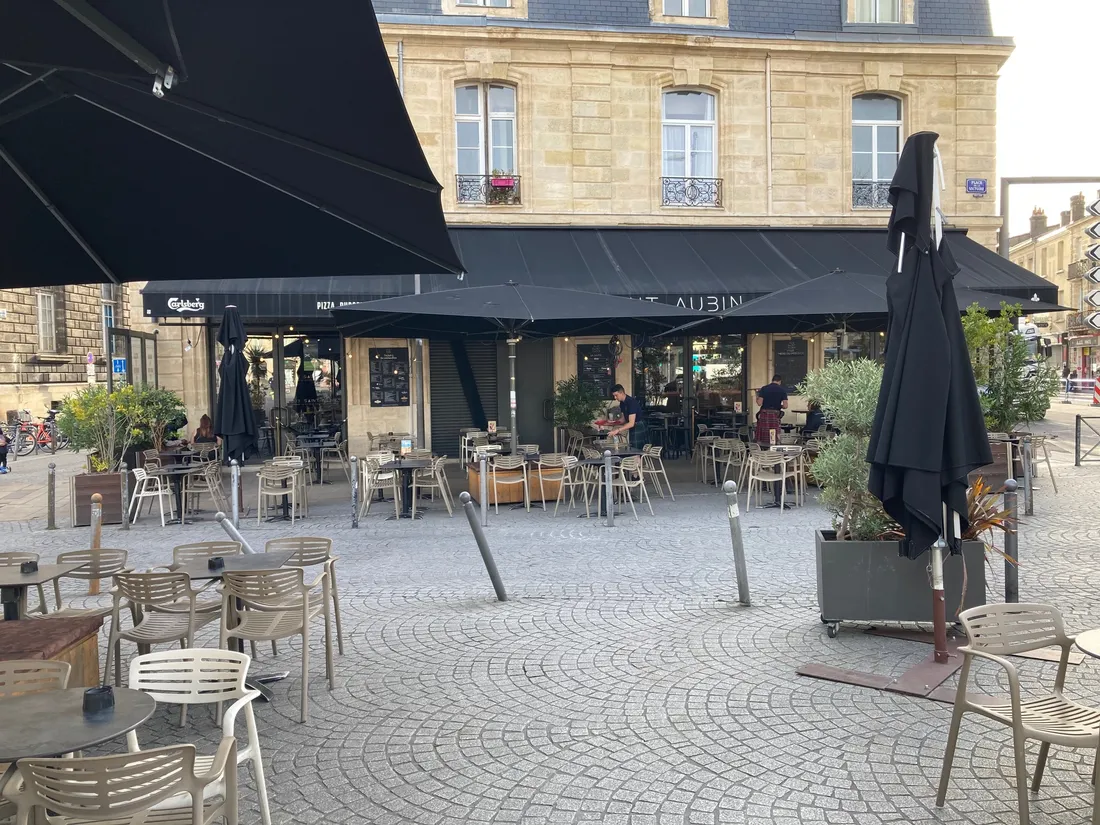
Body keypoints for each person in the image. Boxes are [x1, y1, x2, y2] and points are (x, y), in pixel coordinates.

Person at [609, 384, 646, 449]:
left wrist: (618, 430)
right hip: (632, 426)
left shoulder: (631, 402)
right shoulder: (622, 403)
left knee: (637, 450)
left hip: (638, 425)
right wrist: (612, 423)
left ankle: (638, 459)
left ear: (621, 393)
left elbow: (631, 423)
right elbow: (623, 419)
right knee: (633, 448)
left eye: (616, 395)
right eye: (614, 396)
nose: (615, 398)